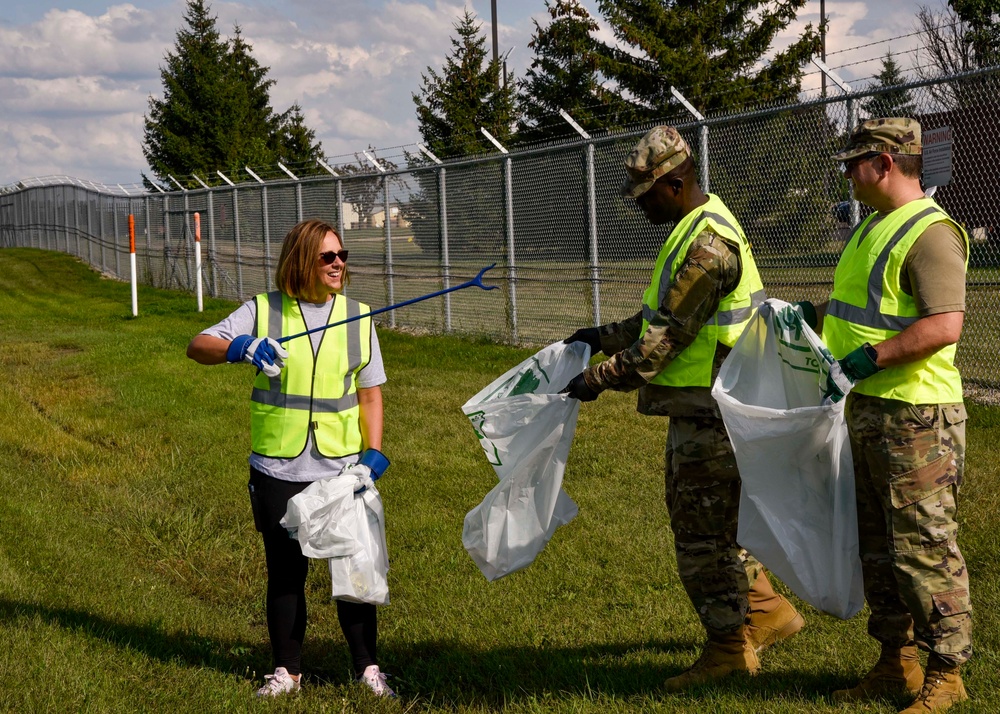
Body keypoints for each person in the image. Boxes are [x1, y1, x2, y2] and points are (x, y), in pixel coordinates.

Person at [562, 125, 804, 691]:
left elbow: (667, 338)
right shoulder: (692, 229)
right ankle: (766, 613)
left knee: (701, 538)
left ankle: (728, 649)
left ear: (673, 184)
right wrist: (600, 334)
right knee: (722, 527)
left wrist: (596, 380)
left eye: (645, 194)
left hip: (715, 412)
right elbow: (656, 319)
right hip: (708, 407)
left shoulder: (708, 245)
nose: (640, 206)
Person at [793, 118, 971, 713]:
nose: (846, 172)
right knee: (878, 546)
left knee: (923, 546)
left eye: (854, 161)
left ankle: (947, 673)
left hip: (917, 417)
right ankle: (896, 662)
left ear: (887, 162)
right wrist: (804, 317)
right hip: (869, 408)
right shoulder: (873, 227)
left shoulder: (930, 233)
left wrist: (869, 359)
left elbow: (944, 324)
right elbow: (859, 309)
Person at [187, 219, 395, 698]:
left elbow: (370, 394)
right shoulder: (263, 311)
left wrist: (374, 453)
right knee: (285, 573)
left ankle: (368, 670)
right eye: (328, 257)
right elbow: (197, 346)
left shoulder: (359, 316)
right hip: (278, 467)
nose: (339, 263)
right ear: (303, 260)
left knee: (354, 569)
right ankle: (287, 672)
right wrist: (242, 347)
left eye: (342, 255)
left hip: (343, 470)